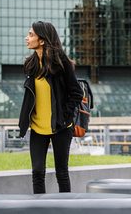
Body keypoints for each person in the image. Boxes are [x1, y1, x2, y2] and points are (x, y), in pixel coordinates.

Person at [18, 21, 83, 194]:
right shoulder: (30, 64)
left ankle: (65, 209)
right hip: (37, 128)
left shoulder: (62, 64)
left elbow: (76, 93)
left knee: (61, 172)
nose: (27, 38)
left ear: (42, 40)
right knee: (37, 172)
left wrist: (65, 117)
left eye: (31, 35)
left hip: (60, 127)